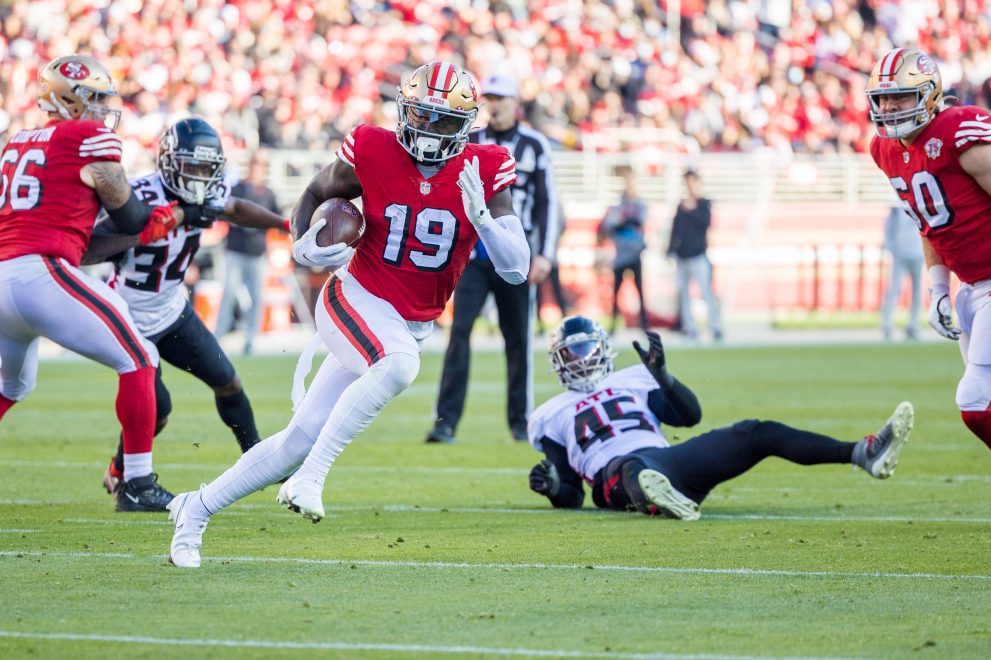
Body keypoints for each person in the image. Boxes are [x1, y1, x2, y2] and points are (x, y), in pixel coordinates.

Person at [166, 60, 530, 567]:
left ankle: (195, 508)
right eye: (419, 116)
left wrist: (485, 220)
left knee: (297, 439)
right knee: (398, 366)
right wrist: (302, 245)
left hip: (408, 320)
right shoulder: (375, 148)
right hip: (354, 295)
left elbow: (517, 270)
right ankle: (313, 477)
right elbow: (317, 193)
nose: (425, 130)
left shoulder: (484, 168)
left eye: (440, 121)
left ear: (464, 127)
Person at [0, 55, 181, 511]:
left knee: (12, 386)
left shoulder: (15, 141)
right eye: (96, 98)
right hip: (41, 272)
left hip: (5, 273)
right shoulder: (87, 136)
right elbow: (127, 213)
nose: (103, 108)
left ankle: (135, 481)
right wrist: (158, 220)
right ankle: (137, 483)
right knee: (140, 357)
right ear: (69, 99)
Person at [83, 118, 290, 504]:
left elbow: (236, 209)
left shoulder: (209, 191)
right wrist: (147, 230)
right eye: (191, 166)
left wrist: (283, 223)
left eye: (205, 168)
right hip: (129, 316)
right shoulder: (139, 193)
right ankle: (123, 473)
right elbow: (89, 247)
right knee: (158, 411)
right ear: (169, 162)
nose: (199, 177)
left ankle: (257, 459)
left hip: (172, 310)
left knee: (229, 383)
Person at [526, 316, 913, 519]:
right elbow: (573, 497)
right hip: (617, 472)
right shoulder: (549, 415)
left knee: (756, 432)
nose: (581, 357)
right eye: (571, 352)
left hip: (669, 461)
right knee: (634, 469)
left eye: (586, 348)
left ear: (603, 348)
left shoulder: (634, 379)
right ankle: (657, 499)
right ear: (558, 360)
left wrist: (665, 378)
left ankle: (862, 453)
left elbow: (690, 417)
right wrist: (554, 486)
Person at [866, 47, 991, 452]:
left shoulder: (958, 130)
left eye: (900, 96)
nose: (889, 106)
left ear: (929, 94)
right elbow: (930, 223)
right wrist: (939, 288)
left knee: (975, 400)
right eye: (883, 98)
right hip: (972, 288)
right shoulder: (884, 150)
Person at [425, 72, 558, 444]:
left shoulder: (534, 145)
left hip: (516, 251)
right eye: (491, 97)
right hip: (472, 253)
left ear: (516, 102)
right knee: (460, 333)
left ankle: (520, 421)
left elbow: (549, 203)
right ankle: (445, 421)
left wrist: (545, 254)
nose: (495, 104)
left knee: (517, 339)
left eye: (501, 97)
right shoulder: (470, 139)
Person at [216, 149, 282, 355]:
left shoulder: (269, 193)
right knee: (228, 293)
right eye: (255, 163)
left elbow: (276, 219)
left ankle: (250, 339)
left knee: (256, 297)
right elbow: (223, 212)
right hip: (235, 250)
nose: (257, 168)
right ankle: (219, 336)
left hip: (257, 252)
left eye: (260, 165)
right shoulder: (237, 189)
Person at [667, 169, 722, 342]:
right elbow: (675, 229)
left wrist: (693, 209)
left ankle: (715, 326)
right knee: (684, 293)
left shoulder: (703, 203)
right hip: (682, 256)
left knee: (706, 292)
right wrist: (670, 249)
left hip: (698, 254)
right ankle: (689, 327)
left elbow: (705, 224)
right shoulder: (682, 205)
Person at [600, 170, 648, 332]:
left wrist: (624, 222)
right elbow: (610, 225)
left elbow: (639, 221)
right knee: (616, 291)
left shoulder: (640, 204)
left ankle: (644, 323)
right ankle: (614, 323)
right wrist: (625, 222)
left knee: (640, 290)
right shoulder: (618, 205)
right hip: (621, 254)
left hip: (635, 253)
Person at [880, 205, 924, 341]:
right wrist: (892, 249)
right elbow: (888, 230)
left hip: (918, 255)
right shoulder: (896, 210)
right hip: (901, 255)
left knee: (917, 293)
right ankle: (887, 325)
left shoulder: (921, 207)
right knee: (893, 290)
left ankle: (913, 325)